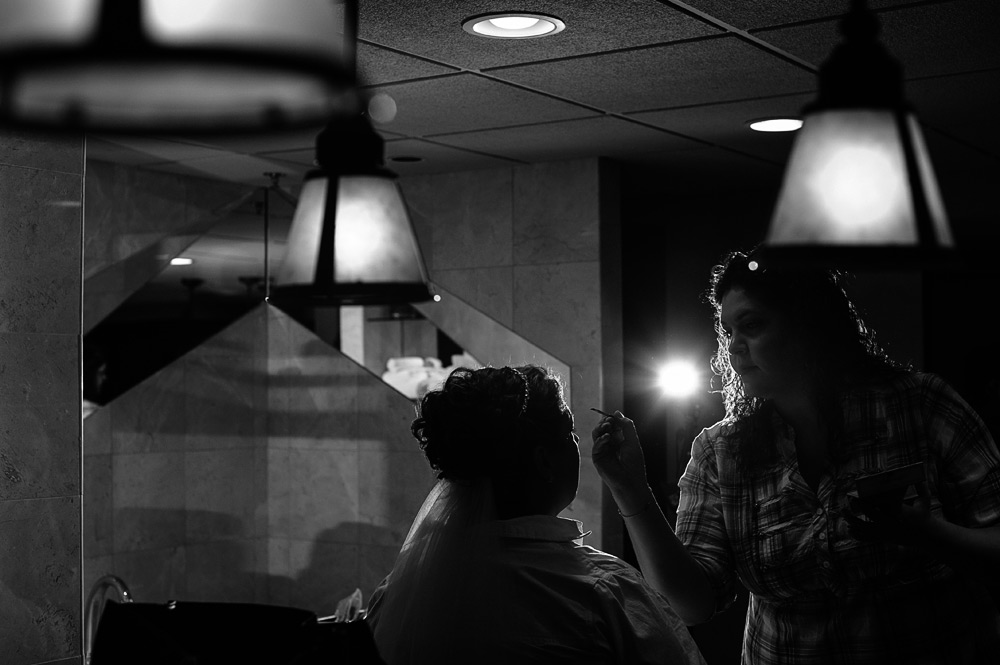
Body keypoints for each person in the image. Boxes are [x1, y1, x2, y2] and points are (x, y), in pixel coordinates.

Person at [592, 248, 1000, 664]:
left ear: (809, 323)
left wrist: (930, 534)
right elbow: (690, 605)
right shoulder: (720, 451)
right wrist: (630, 488)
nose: (735, 348)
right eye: (728, 332)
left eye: (751, 325)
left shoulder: (920, 406)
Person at [366, 365, 706, 665]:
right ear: (544, 461)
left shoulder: (400, 594)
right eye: (569, 432)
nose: (577, 442)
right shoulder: (605, 592)